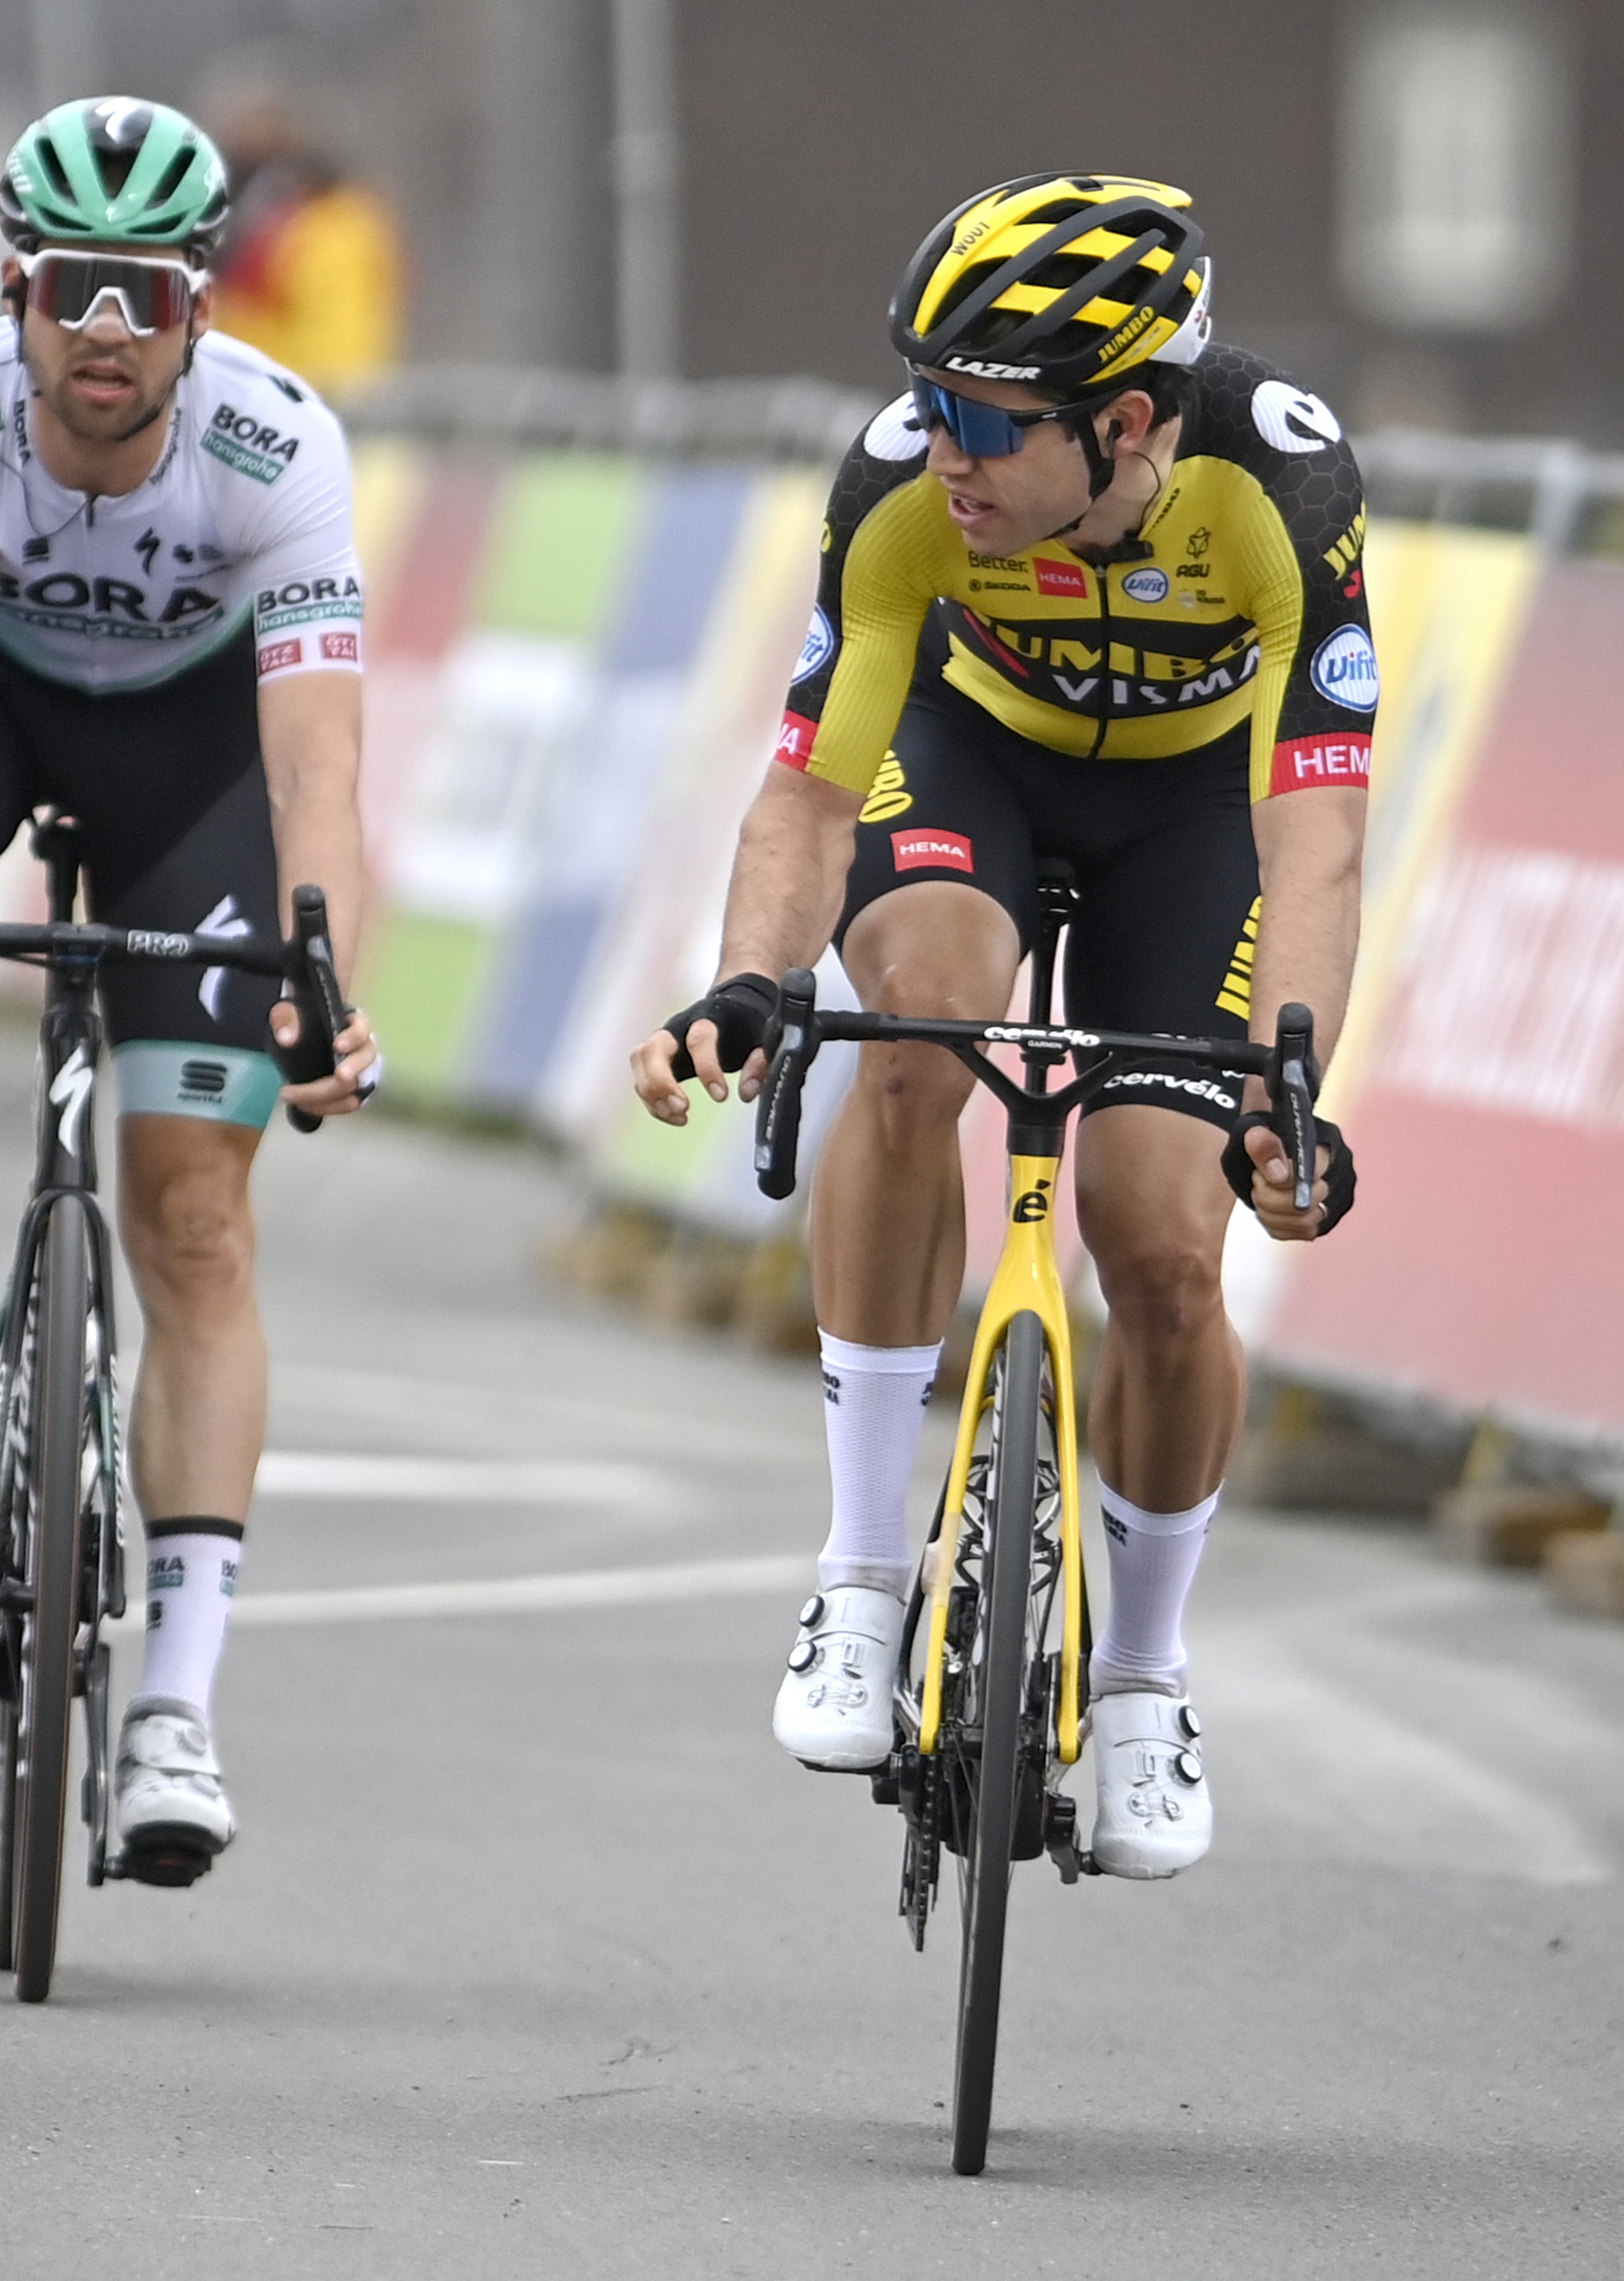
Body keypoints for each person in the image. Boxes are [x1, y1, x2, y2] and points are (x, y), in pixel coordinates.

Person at [628, 174, 1370, 1880]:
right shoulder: (902, 487)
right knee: (917, 1030)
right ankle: (865, 1575)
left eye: (984, 417)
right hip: (976, 764)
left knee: (1169, 1244)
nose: (940, 444)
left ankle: (1148, 1684)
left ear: (1126, 425)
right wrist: (752, 979)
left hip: (1192, 818)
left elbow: (1314, 835)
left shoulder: (1283, 485)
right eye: (930, 400)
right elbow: (811, 795)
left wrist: (1293, 1081)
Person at [0, 98, 381, 1885]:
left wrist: (318, 972)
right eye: (67, 294)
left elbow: (315, 775)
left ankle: (173, 1710)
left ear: (200, 306)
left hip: (193, 764)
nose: (102, 333)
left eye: (143, 296)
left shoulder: (278, 448)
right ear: (14, 292)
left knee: (189, 1225)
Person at [204, 87, 404, 395]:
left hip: (321, 406)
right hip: (285, 398)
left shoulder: (335, 224)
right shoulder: (275, 218)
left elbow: (337, 352)